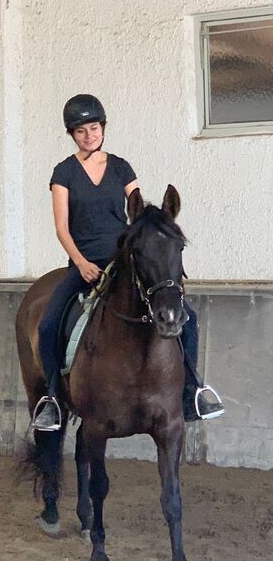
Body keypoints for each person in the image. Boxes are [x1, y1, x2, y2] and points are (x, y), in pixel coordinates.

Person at [33, 93, 224, 431]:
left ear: (103, 128)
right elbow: (62, 228)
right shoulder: (63, 172)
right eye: (81, 131)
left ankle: (192, 390)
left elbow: (137, 214)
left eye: (94, 128)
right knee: (49, 324)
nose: (89, 135)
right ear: (72, 134)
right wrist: (79, 263)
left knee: (188, 318)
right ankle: (51, 398)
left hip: (121, 262)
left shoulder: (121, 167)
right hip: (85, 264)